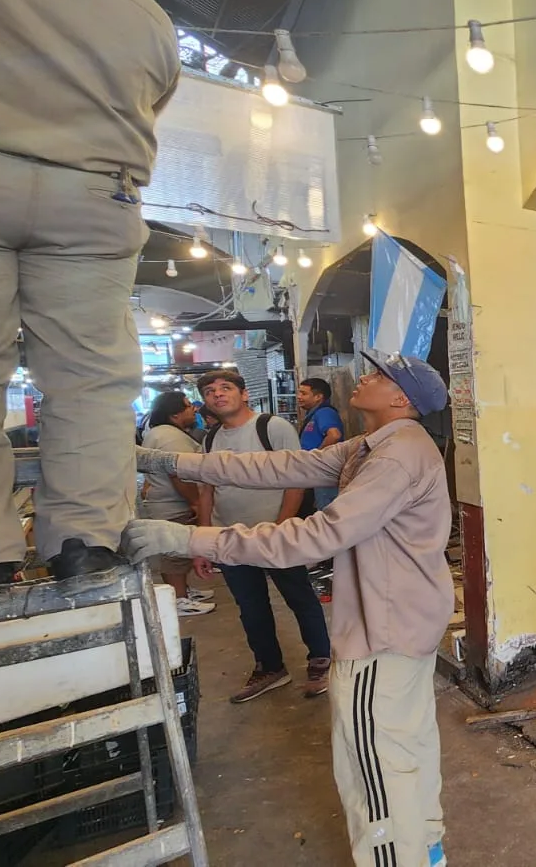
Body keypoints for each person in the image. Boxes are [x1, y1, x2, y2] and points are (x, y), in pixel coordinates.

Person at [128, 350, 454, 867]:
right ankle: (426, 849)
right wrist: (171, 462)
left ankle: (399, 859)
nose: (364, 375)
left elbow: (317, 536)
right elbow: (281, 464)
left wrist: (191, 537)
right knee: (405, 746)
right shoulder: (375, 445)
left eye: (379, 374)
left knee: (372, 766)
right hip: (408, 619)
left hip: (382, 632)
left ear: (400, 398)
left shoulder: (395, 457)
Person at [0, 0, 180, 617]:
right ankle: (86, 548)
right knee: (91, 383)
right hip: (97, 193)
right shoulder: (148, 15)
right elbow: (154, 101)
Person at [196, 369, 332, 702]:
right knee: (250, 606)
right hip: (231, 540)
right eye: (210, 391)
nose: (217, 394)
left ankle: (321, 660)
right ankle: (270, 667)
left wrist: (281, 528)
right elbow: (206, 492)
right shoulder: (210, 440)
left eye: (225, 387)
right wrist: (202, 542)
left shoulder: (272, 428)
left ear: (244, 394)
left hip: (275, 535)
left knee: (298, 596)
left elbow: (296, 480)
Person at [137, 391, 215, 616]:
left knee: (176, 551)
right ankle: (178, 600)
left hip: (164, 500)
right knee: (175, 553)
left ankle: (181, 592)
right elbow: (178, 473)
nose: (194, 409)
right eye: (188, 405)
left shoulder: (161, 432)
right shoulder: (171, 437)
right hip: (172, 504)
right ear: (174, 414)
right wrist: (195, 503)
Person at [297, 377, 345, 511]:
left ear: (318, 397)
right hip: (316, 472)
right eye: (299, 393)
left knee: (325, 511)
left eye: (304, 393)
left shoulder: (325, 412)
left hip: (324, 471)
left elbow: (334, 435)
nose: (299, 397)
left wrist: (316, 456)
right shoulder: (313, 414)